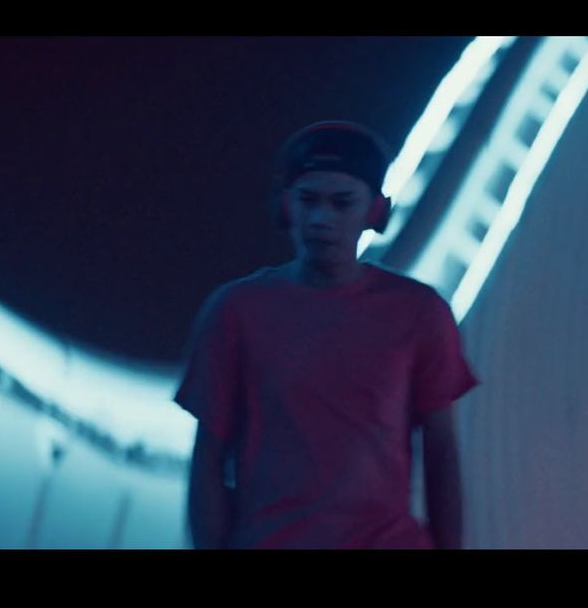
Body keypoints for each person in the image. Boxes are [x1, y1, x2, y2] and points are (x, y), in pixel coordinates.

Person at [175, 121, 478, 549]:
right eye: (308, 201)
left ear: (375, 213)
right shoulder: (234, 312)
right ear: (286, 207)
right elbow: (207, 456)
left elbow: (441, 453)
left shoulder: (420, 314)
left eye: (341, 203)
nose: (321, 219)